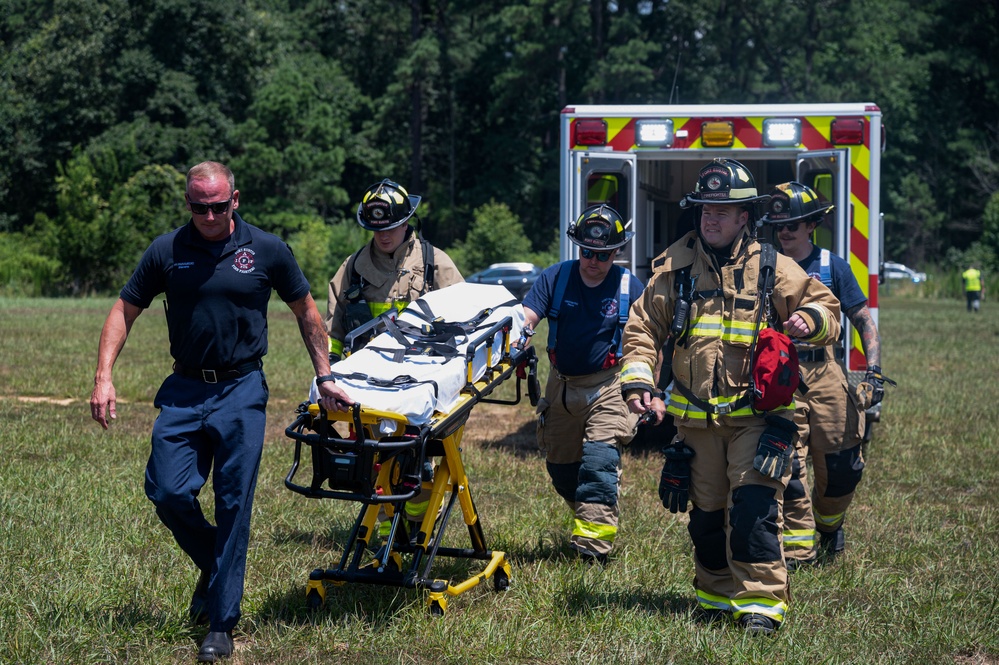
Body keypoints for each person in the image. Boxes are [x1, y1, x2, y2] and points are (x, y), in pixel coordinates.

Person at [90, 161, 352, 663]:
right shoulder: (167, 250)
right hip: (185, 388)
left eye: (216, 205)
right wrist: (104, 376)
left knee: (234, 502)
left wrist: (325, 376)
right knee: (167, 491)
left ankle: (221, 623)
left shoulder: (267, 249)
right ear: (187, 203)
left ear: (235, 199)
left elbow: (307, 312)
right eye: (197, 206)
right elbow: (124, 309)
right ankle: (216, 568)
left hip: (242, 390)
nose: (207, 215)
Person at [619, 159, 842, 635]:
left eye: (723, 211)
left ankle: (761, 603)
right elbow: (641, 329)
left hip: (757, 419)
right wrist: (639, 380)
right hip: (696, 422)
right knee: (707, 516)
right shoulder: (673, 270)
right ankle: (715, 596)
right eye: (705, 210)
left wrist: (812, 321)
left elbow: (826, 306)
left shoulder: (773, 268)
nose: (711, 219)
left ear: (745, 217)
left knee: (753, 511)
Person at [325, 178, 462, 543]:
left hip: (420, 388)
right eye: (375, 228)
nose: (383, 235)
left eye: (391, 226)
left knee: (413, 461)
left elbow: (463, 326)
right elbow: (332, 332)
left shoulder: (435, 264)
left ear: (407, 221)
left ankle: (417, 525)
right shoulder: (352, 269)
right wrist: (329, 376)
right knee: (372, 462)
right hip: (367, 388)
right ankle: (386, 534)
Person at [763, 181, 888, 571]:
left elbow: (862, 319)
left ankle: (830, 526)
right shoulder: (764, 267)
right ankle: (798, 554)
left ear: (812, 225)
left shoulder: (833, 266)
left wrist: (874, 371)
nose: (785, 232)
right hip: (783, 377)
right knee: (789, 467)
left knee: (842, 467)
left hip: (827, 372)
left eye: (794, 225)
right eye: (780, 226)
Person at [518, 204, 644, 565]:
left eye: (603, 255)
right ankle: (594, 508)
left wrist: (649, 388)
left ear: (616, 252)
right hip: (561, 386)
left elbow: (648, 339)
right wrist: (519, 336)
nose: (594, 261)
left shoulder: (628, 286)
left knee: (599, 462)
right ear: (578, 247)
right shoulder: (556, 277)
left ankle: (592, 553)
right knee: (561, 469)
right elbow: (529, 316)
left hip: (608, 385)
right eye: (587, 252)